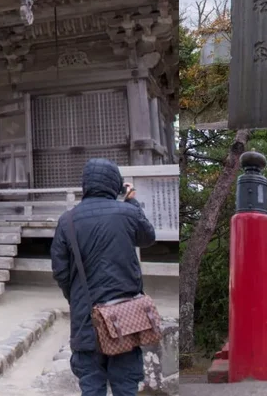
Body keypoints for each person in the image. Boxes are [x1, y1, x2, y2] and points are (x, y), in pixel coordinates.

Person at [51, 158, 156, 396]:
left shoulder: (67, 220)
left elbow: (60, 271)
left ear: (86, 184)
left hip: (86, 316)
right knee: (126, 384)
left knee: (91, 384)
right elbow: (148, 237)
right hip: (125, 316)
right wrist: (132, 200)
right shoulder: (128, 212)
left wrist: (76, 297)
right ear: (115, 184)